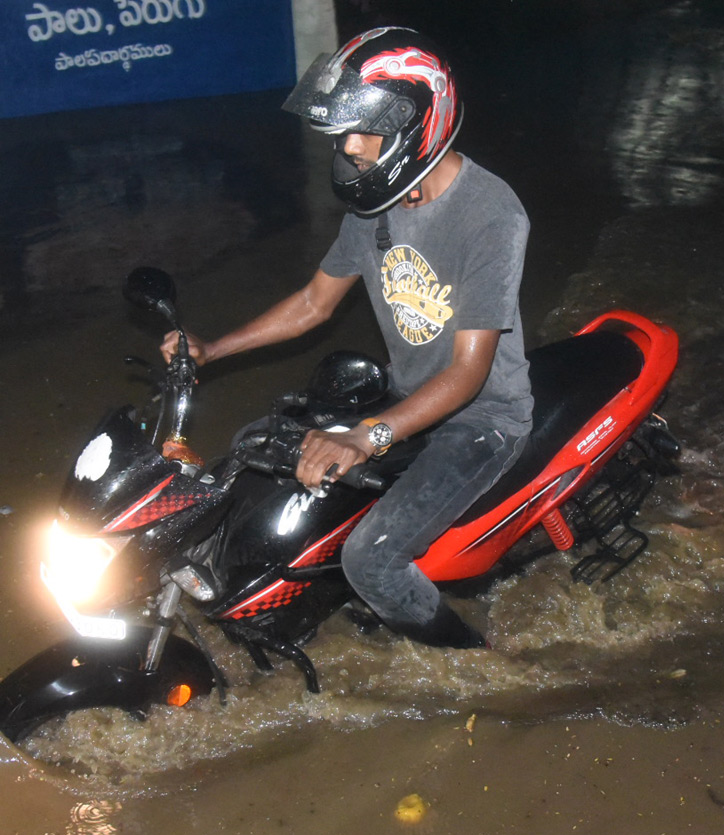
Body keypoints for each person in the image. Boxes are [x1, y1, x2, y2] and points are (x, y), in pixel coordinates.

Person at [161, 27, 532, 649]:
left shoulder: (491, 214)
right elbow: (314, 302)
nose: (348, 146)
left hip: (484, 417)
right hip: (407, 393)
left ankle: (472, 660)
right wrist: (212, 349)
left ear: (418, 126)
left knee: (372, 560)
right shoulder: (377, 206)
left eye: (363, 130)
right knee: (260, 455)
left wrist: (365, 437)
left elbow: (468, 375)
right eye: (343, 131)